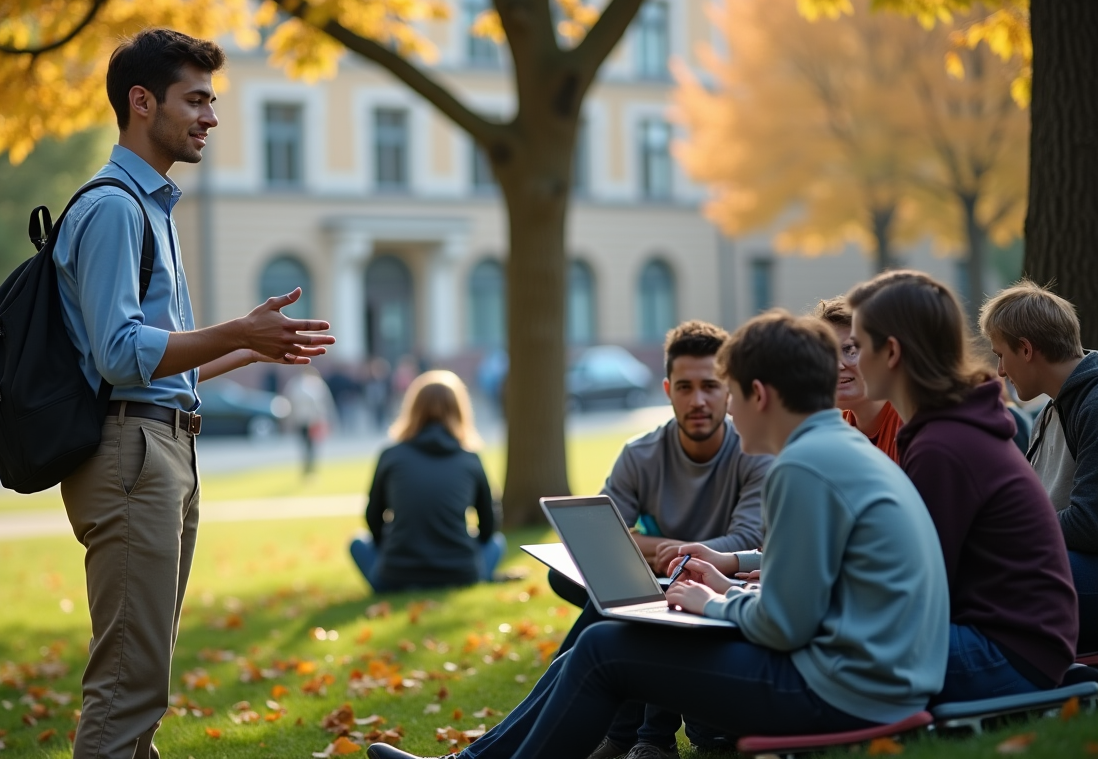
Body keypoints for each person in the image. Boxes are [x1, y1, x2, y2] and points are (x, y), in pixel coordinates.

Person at [367, 312, 950, 759]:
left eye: (728, 390)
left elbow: (785, 624)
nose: (718, 408)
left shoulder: (804, 467)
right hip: (869, 675)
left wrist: (716, 603)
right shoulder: (835, 448)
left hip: (842, 691)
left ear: (759, 395)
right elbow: (808, 596)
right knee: (611, 631)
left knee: (603, 648)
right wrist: (719, 589)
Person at [54, 28, 334, 759]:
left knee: (142, 680)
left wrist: (247, 346)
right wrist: (235, 328)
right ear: (142, 103)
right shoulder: (116, 207)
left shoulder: (154, 210)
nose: (211, 116)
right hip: (130, 455)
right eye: (197, 99)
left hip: (159, 446)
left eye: (213, 101)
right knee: (127, 684)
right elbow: (118, 356)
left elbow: (154, 363)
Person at [847, 271, 1077, 700]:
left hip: (1009, 650)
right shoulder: (941, 432)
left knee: (817, 660)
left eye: (857, 346)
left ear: (892, 352)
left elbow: (911, 588)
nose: (850, 361)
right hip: (1006, 638)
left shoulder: (944, 446)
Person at [553, 320, 770, 759]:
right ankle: (632, 737)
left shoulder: (753, 452)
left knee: (630, 604)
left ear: (729, 390)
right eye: (685, 387)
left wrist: (662, 553)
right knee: (593, 586)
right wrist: (678, 554)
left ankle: (634, 737)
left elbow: (748, 539)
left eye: (710, 386)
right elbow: (601, 534)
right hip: (666, 586)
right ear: (668, 389)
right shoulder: (640, 453)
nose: (698, 400)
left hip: (727, 594)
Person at [978, 279, 1097, 653]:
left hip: (1085, 569)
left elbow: (1090, 523)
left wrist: (1006, 537)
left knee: (987, 582)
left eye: (1001, 355)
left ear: (1026, 349)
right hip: (1067, 564)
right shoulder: (1049, 410)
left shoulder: (1093, 406)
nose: (999, 371)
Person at [349, 370, 505, 592]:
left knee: (358, 543)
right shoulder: (470, 459)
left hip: (395, 576)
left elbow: (372, 517)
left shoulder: (391, 455)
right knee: (497, 544)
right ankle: (478, 576)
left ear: (412, 409)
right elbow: (489, 528)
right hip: (461, 573)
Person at [813, 296, 903, 461]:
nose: (837, 366)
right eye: (826, 354)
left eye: (850, 351)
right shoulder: (832, 432)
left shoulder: (909, 425)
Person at [285, 367, 335, 475]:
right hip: (305, 419)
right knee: (307, 445)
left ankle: (310, 468)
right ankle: (308, 468)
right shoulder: (303, 384)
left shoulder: (311, 384)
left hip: (311, 420)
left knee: (310, 445)